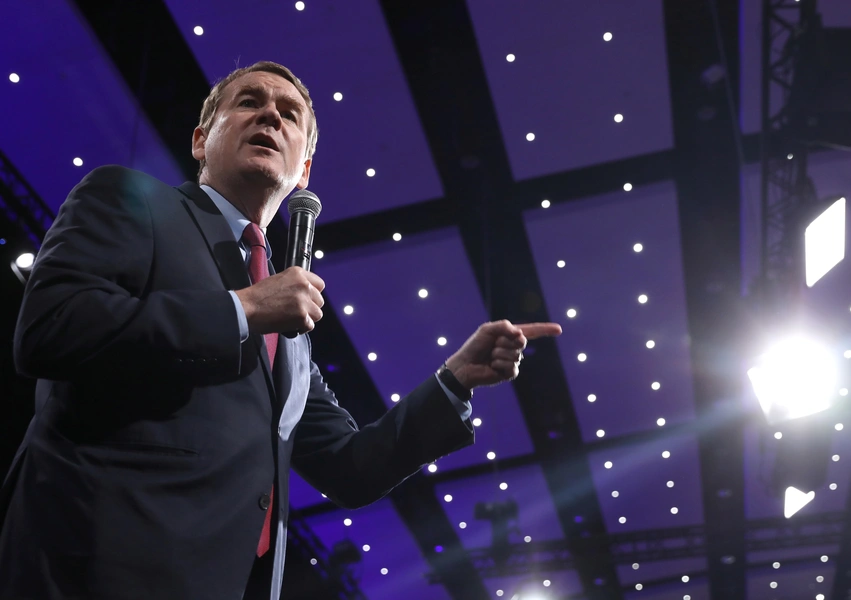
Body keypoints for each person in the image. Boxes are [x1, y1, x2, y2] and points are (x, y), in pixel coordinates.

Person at [0, 61, 561, 600]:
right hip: (94, 567)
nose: (271, 116)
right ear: (201, 140)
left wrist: (455, 381)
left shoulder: (288, 329)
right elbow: (52, 327)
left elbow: (350, 467)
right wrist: (241, 309)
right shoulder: (131, 203)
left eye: (290, 114)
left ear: (305, 172)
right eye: (249, 102)